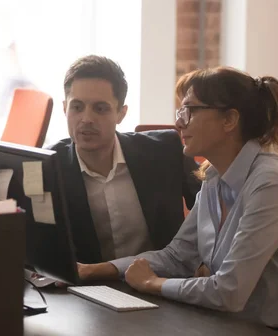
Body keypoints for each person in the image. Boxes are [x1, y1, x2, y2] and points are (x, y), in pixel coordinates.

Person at [75, 66, 278, 334]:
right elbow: (177, 256)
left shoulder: (270, 182)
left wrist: (153, 284)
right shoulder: (214, 175)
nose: (179, 122)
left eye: (190, 111)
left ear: (229, 120)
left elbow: (228, 291)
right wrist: (96, 270)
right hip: (237, 325)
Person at [48, 55, 201, 264]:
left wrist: (203, 261)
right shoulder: (48, 167)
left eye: (100, 108)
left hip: (160, 285)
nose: (86, 119)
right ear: (65, 109)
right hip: (86, 288)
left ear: (121, 113)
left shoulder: (164, 152)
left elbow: (215, 209)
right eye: (77, 107)